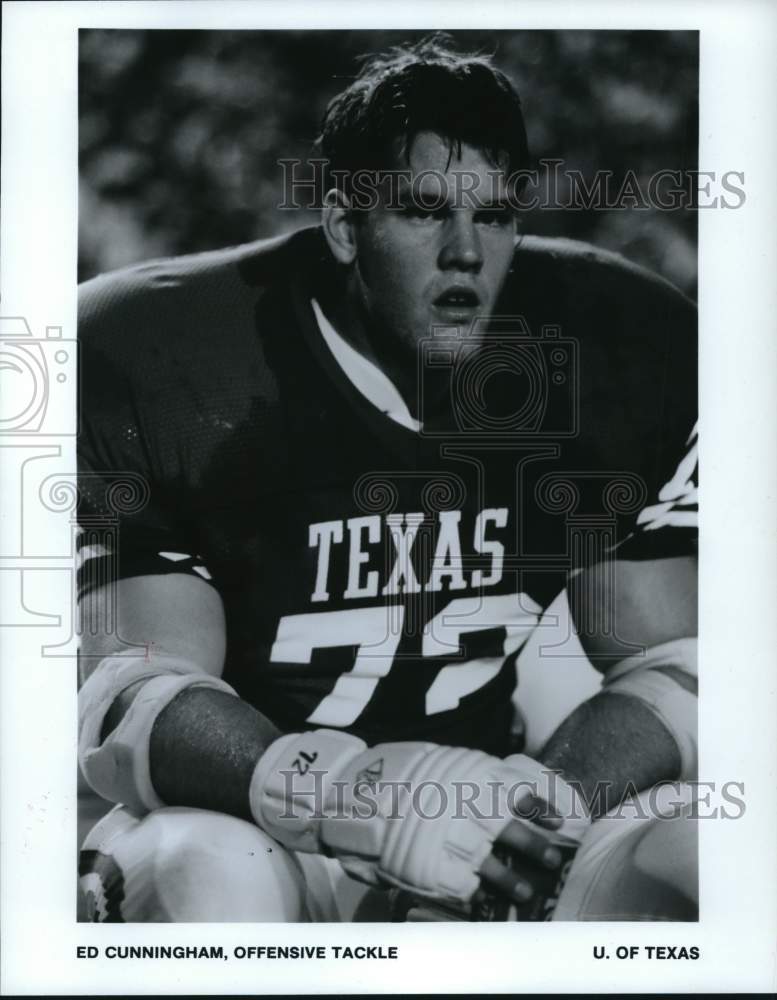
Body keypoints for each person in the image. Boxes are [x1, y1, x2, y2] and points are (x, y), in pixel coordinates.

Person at [76, 36, 698, 922]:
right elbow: (130, 693)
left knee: (705, 854)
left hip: (495, 804)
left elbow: (672, 664)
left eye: (493, 215)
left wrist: (536, 806)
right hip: (258, 818)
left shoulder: (609, 346)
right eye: (421, 211)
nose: (464, 252)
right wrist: (350, 796)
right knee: (205, 876)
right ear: (343, 225)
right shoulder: (161, 354)